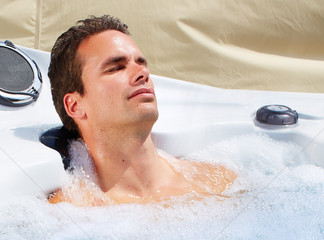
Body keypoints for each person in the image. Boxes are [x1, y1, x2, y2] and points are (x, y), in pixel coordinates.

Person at [48, 15, 236, 205]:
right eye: (115, 68)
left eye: (141, 63)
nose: (142, 73)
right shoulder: (70, 213)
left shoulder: (220, 182)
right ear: (75, 105)